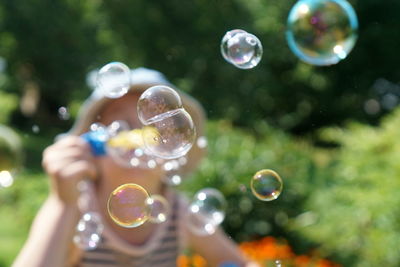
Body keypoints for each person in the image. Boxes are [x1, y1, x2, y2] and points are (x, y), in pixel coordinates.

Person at [13, 68, 258, 267]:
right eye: (121, 125)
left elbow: (238, 263)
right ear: (94, 146)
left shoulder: (178, 212)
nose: (139, 136)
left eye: (158, 129)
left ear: (174, 154)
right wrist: (62, 203)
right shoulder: (77, 204)